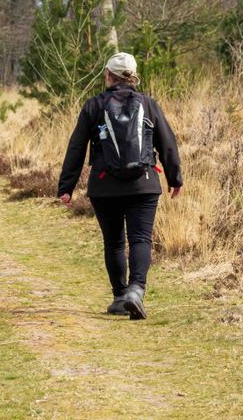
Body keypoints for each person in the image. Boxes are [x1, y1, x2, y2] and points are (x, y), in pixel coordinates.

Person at [57, 52, 182, 320]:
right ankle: (136, 290)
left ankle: (119, 296)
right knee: (140, 238)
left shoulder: (94, 105)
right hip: (144, 184)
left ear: (108, 76)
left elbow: (77, 146)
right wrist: (175, 178)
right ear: (134, 76)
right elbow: (167, 142)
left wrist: (66, 186)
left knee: (114, 241)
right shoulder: (148, 104)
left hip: (104, 186)